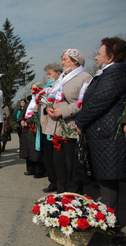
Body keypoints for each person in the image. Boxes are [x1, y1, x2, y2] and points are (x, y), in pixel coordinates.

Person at [75, 37, 126, 217]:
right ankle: (107, 219)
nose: (96, 57)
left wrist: (80, 121)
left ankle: (111, 223)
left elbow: (99, 101)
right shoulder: (110, 72)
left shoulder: (115, 73)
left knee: (108, 179)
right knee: (105, 178)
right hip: (102, 132)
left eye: (99, 54)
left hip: (107, 134)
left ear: (110, 57)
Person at [45, 49, 92, 194]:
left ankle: (73, 196)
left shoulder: (85, 77)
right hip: (56, 127)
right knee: (59, 165)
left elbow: (84, 102)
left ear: (75, 61)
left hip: (71, 127)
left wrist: (63, 111)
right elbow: (51, 97)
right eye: (62, 59)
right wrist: (48, 108)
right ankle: (61, 194)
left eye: (65, 59)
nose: (62, 62)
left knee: (71, 165)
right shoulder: (62, 78)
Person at [41, 62, 63, 193]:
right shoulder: (47, 88)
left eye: (50, 74)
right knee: (47, 156)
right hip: (45, 126)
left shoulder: (58, 87)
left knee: (54, 158)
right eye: (47, 74)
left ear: (58, 74)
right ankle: (53, 181)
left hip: (54, 126)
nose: (48, 77)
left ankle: (57, 182)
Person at [19, 82, 45, 178]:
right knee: (27, 149)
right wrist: (21, 120)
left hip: (34, 127)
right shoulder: (31, 100)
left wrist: (28, 121)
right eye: (31, 89)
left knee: (35, 150)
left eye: (34, 89)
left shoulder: (40, 100)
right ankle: (30, 169)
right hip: (26, 128)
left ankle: (39, 171)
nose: (32, 90)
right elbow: (23, 112)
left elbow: (37, 114)